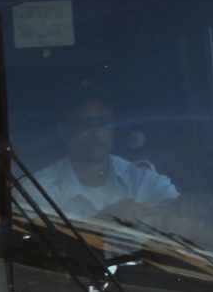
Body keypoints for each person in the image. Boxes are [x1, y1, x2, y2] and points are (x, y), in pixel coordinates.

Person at [32, 87, 179, 219]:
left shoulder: (140, 179)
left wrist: (187, 207)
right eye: (85, 125)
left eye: (103, 123)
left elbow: (180, 211)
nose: (97, 133)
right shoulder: (39, 188)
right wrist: (105, 221)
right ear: (64, 131)